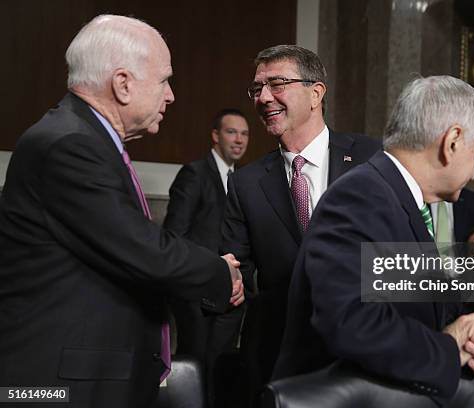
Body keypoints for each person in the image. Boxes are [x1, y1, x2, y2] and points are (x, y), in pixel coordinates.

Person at [0, 15, 243, 408]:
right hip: (58, 385)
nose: (171, 96)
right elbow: (143, 248)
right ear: (123, 84)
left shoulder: (82, 137)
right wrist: (220, 272)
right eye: (164, 79)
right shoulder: (68, 145)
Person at [272, 75, 474, 404]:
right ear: (452, 141)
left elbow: (411, 304)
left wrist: (468, 329)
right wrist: (449, 346)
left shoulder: (396, 196)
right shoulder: (360, 196)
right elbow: (350, 321)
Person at [221, 44, 380, 405]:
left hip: (365, 352)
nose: (263, 98)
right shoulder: (246, 183)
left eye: (277, 84)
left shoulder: (372, 157)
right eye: (257, 89)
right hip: (281, 360)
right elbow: (237, 272)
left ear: (316, 92)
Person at [164, 108, 249, 407]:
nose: (239, 140)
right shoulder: (195, 173)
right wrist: (208, 272)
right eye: (231, 132)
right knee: (196, 370)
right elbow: (175, 235)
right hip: (197, 294)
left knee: (221, 372)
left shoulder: (243, 180)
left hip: (232, 298)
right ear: (215, 136)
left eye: (244, 134)